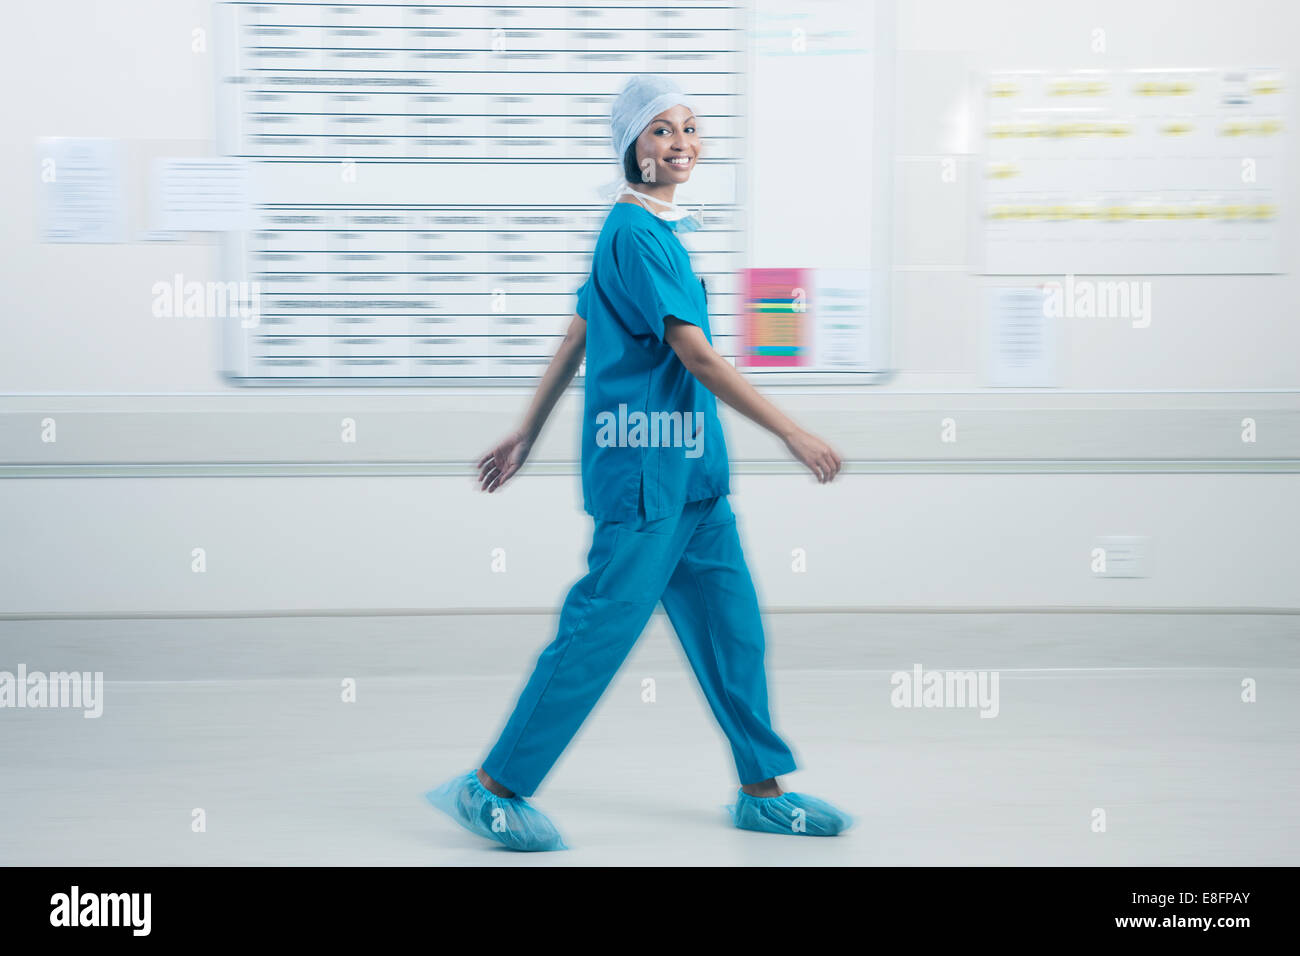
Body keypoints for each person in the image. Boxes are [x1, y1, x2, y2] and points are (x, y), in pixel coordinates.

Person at [426, 74, 853, 851]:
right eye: (661, 130)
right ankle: (490, 789)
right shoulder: (631, 234)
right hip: (643, 477)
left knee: (734, 631)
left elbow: (575, 334)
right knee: (597, 635)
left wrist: (524, 433)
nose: (681, 142)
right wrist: (793, 432)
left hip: (692, 477)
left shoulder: (657, 231)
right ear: (632, 148)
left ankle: (762, 789)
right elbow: (695, 355)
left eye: (690, 128)